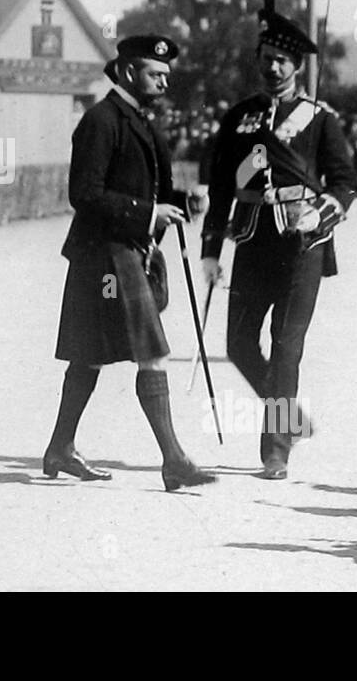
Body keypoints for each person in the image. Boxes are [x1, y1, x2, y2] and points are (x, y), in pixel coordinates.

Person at [200, 0, 356, 480]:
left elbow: (346, 184)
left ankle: (275, 451)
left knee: (287, 347)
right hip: (251, 241)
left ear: (298, 66)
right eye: (266, 57)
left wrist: (320, 213)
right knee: (238, 345)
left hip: (302, 244)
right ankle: (290, 417)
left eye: (282, 61)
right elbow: (222, 185)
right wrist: (210, 249)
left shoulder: (319, 118)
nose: (272, 67)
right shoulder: (240, 117)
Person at [45, 34, 215, 492]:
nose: (163, 81)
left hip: (119, 252)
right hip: (106, 255)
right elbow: (84, 193)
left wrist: (182, 201)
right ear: (126, 72)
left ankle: (61, 446)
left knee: (90, 355)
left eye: (166, 75)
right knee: (150, 351)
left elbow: (146, 190)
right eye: (155, 73)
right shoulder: (101, 121)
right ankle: (174, 460)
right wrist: (148, 214)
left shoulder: (138, 120)